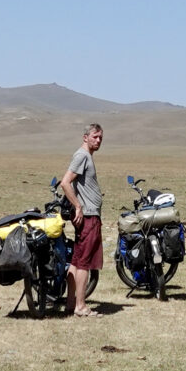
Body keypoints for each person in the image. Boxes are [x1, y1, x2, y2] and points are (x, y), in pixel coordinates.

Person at [57, 122, 104, 315]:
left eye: (101, 137)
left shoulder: (85, 156)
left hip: (89, 215)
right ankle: (81, 306)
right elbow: (65, 182)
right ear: (85, 137)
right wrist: (78, 206)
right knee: (84, 261)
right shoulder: (82, 156)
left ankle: (70, 303)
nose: (98, 140)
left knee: (76, 261)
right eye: (95, 137)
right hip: (89, 216)